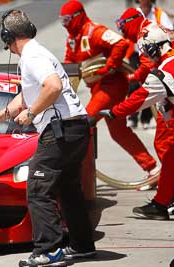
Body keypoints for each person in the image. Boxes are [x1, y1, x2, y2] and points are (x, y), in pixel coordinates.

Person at [0, 9, 96, 267]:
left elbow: (52, 86)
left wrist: (32, 113)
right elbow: (24, 98)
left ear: (7, 36)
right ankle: (82, 245)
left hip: (59, 131)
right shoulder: (36, 54)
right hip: (76, 128)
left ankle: (49, 250)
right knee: (68, 189)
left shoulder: (33, 56)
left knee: (38, 189)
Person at [60, 0, 159, 183]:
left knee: (84, 122)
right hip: (97, 88)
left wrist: (110, 66)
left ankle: (75, 174)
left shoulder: (94, 31)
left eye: (67, 20)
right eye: (62, 21)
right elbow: (69, 62)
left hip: (111, 86)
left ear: (77, 17)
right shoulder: (73, 38)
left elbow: (121, 44)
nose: (65, 24)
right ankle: (152, 169)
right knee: (119, 132)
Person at [99, 23, 174, 220]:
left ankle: (162, 204)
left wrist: (113, 112)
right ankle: (161, 204)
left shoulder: (162, 74)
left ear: (152, 48)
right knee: (170, 161)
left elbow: (137, 100)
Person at [117, 7, 174, 190]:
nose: (123, 31)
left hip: (166, 90)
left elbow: (149, 65)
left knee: (165, 144)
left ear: (132, 22)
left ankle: (168, 188)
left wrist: (114, 112)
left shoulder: (146, 35)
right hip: (166, 88)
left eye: (124, 26)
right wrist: (134, 77)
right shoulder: (152, 28)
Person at [126, 0, 173, 129]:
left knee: (150, 84)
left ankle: (146, 118)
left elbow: (169, 32)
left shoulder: (159, 13)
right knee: (134, 85)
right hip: (136, 53)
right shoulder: (135, 12)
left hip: (154, 54)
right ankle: (132, 117)